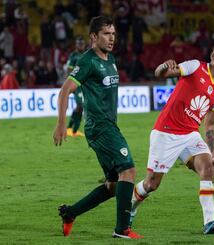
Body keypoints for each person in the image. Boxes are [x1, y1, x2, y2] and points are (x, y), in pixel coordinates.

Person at [130, 40, 214, 235]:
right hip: (166, 133)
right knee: (151, 184)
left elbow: (210, 125)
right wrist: (164, 66)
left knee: (208, 168)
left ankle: (209, 222)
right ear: (212, 57)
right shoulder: (195, 67)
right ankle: (131, 207)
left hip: (190, 135)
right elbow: (161, 74)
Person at [53, 15, 143, 239]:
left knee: (114, 186)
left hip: (108, 125)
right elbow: (65, 91)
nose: (111, 38)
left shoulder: (110, 58)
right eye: (106, 34)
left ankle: (70, 213)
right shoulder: (87, 61)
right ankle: (122, 229)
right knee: (129, 170)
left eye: (113, 34)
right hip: (100, 127)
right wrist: (62, 124)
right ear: (93, 36)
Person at [66, 36, 86, 137]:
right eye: (79, 44)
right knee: (80, 106)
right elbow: (69, 70)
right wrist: (70, 84)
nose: (81, 45)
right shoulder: (73, 56)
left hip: (85, 85)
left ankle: (73, 130)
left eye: (82, 44)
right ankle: (71, 128)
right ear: (76, 45)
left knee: (81, 107)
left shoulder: (87, 55)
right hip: (76, 84)